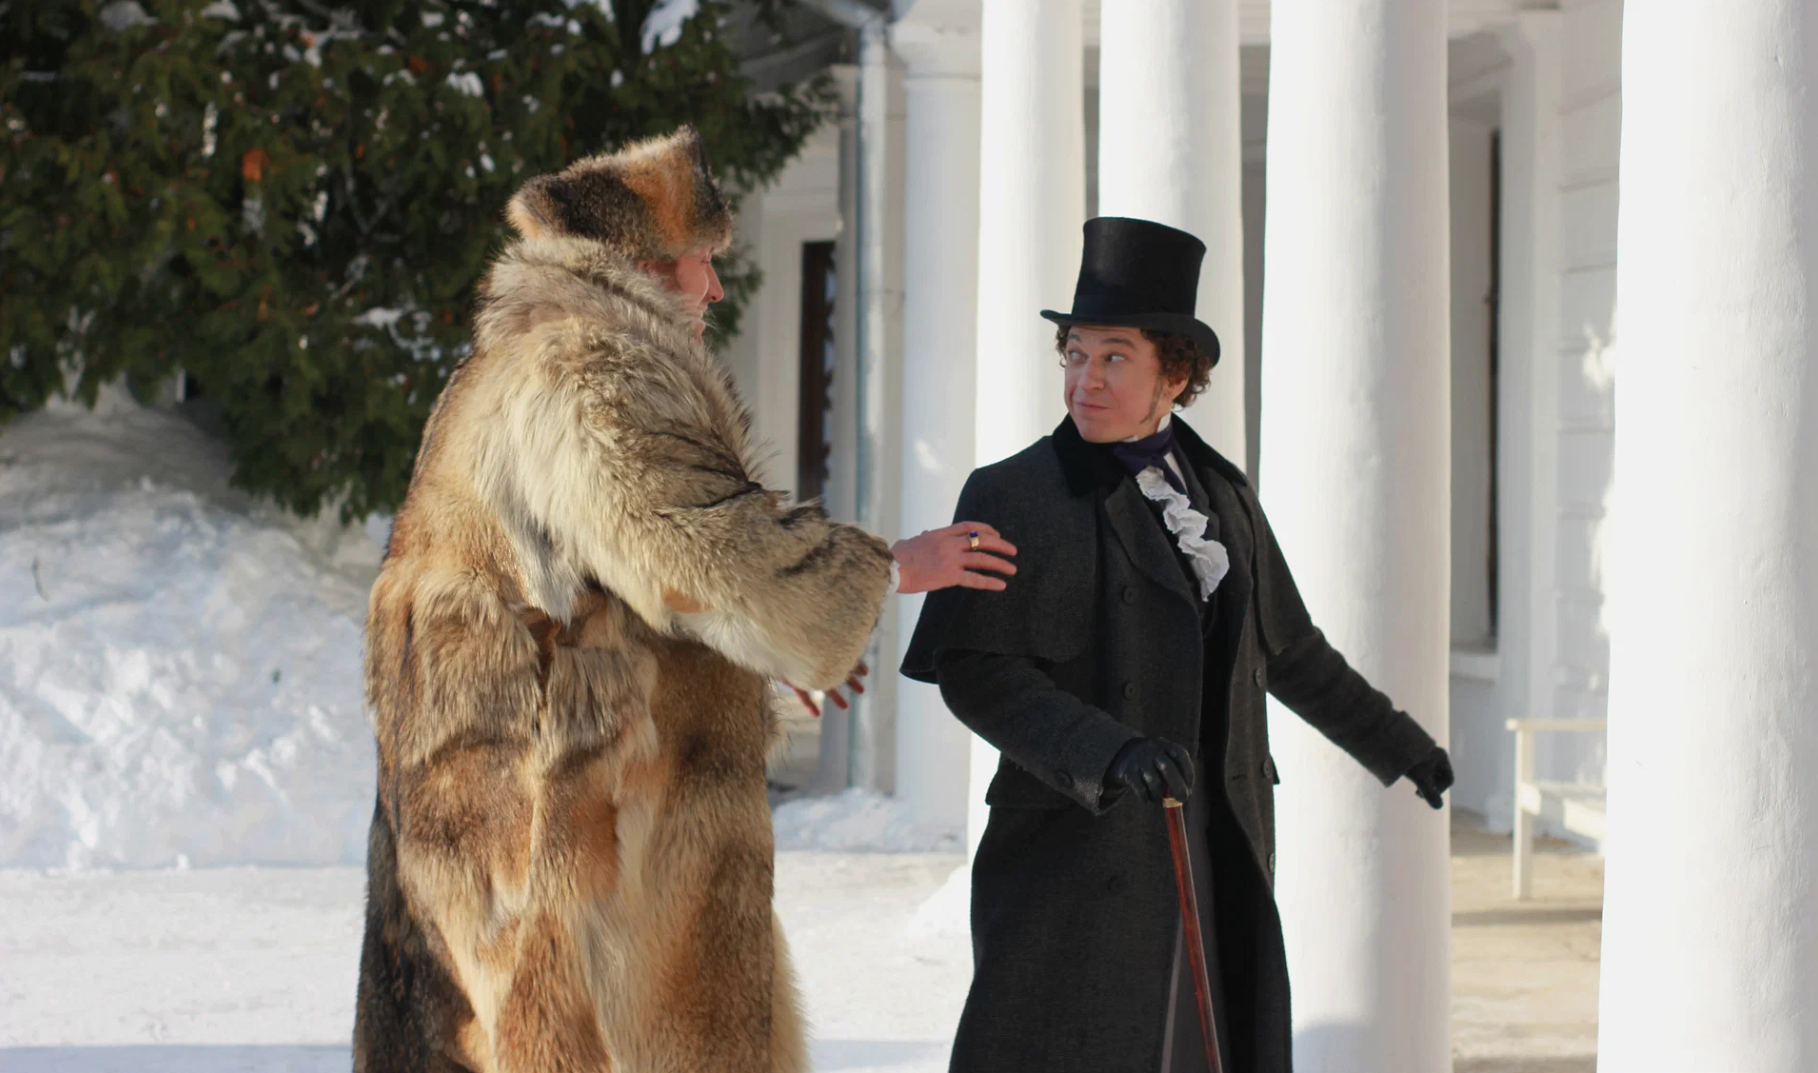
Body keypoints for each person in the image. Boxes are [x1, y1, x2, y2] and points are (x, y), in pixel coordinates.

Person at [352, 127, 1009, 1073]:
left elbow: (603, 591)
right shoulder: (587, 368)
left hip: (504, 833)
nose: (712, 290)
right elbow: (694, 544)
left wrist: (751, 658)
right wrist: (890, 565)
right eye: (701, 264)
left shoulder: (512, 365)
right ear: (643, 265)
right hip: (579, 855)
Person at [902, 216, 1454, 1073]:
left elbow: (1292, 650)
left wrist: (1401, 744)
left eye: (1114, 357)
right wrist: (1110, 751)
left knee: (1204, 1045)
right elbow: (977, 672)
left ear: (1177, 373)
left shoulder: (1221, 495)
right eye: (1075, 354)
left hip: (1212, 830)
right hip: (1079, 851)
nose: (1085, 380)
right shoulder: (1015, 493)